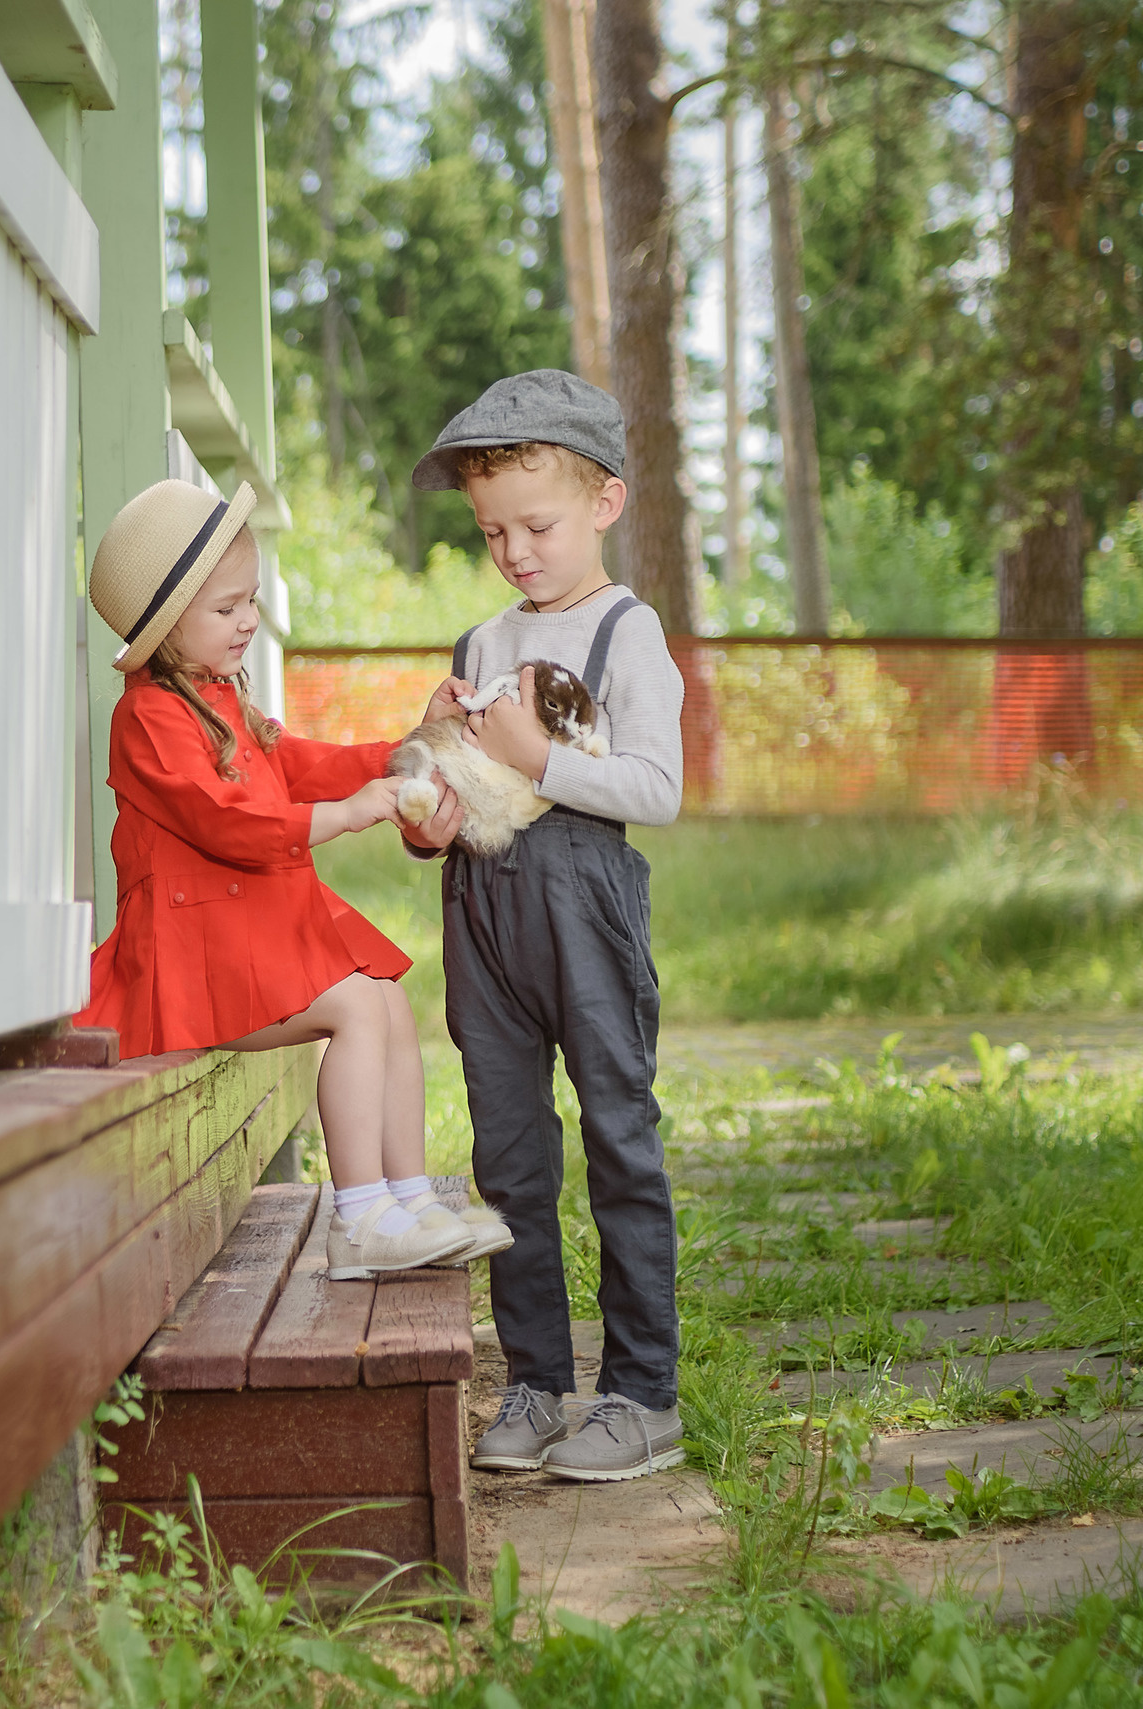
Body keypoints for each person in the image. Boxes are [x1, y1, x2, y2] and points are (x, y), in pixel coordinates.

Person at [75, 478, 513, 1281]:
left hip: (238, 933)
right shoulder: (148, 719)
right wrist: (350, 813)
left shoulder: (217, 697)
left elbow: (297, 763)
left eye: (251, 600)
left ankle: (407, 1200)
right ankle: (359, 1219)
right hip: (187, 957)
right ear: (168, 627)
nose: (248, 620)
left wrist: (404, 750)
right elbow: (225, 819)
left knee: (382, 990)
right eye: (227, 608)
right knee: (352, 1005)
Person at [404, 370, 687, 1482]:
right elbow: (461, 786)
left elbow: (656, 790)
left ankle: (640, 1393)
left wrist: (538, 757)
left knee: (617, 1134)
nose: (515, 550)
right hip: (485, 910)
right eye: (491, 532)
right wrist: (429, 792)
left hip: (584, 904)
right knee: (509, 1155)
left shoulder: (628, 630)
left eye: (537, 524)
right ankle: (534, 1380)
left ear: (604, 503)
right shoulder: (482, 639)